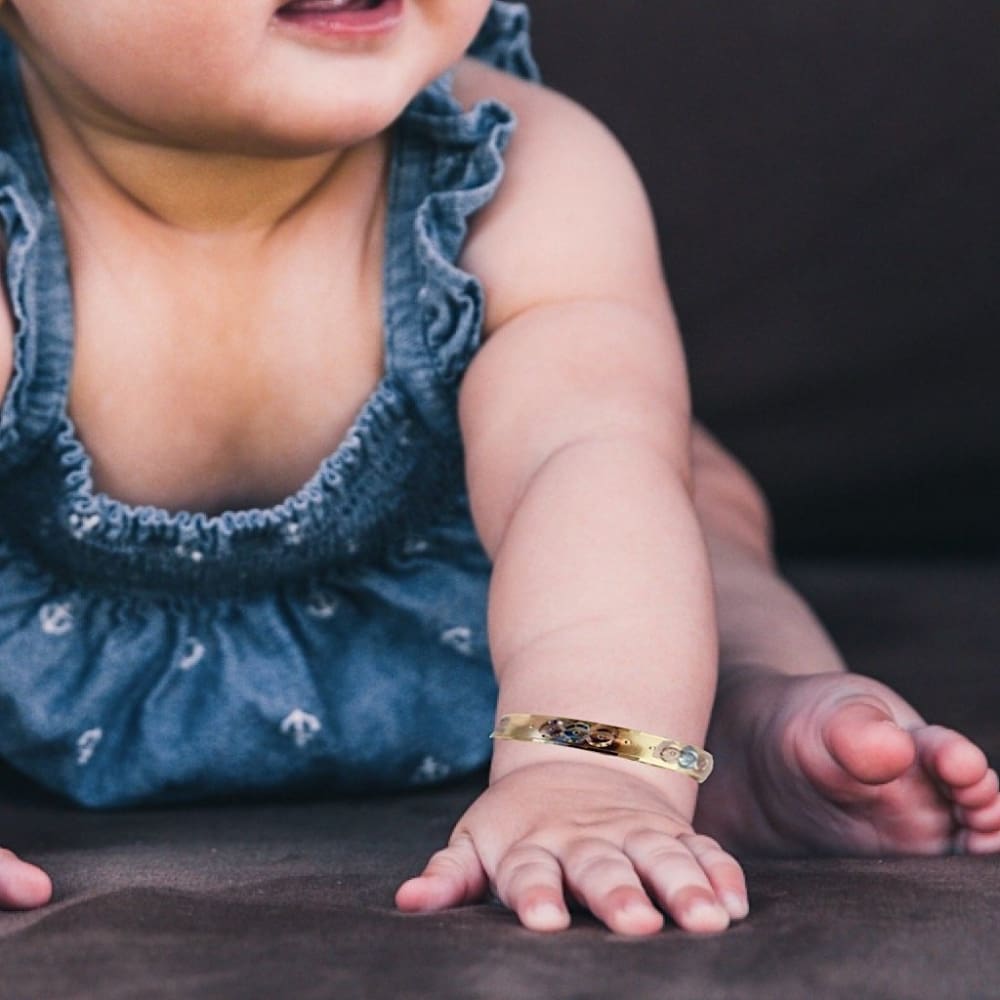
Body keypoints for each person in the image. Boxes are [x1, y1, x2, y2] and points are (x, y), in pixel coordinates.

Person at [0, 0, 996, 937]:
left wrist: (592, 772)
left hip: (526, 634)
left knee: (672, 482)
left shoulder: (521, 173)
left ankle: (720, 719)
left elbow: (581, 462)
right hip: (47, 659)